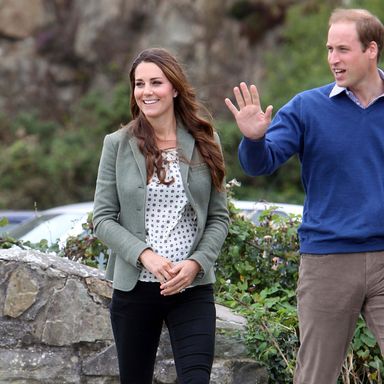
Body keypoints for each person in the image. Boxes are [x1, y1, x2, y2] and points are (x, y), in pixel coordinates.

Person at [225, 8, 384, 384]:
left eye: (343, 49)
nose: (333, 59)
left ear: (371, 49)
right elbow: (261, 164)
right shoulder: (306, 107)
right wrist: (253, 139)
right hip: (328, 260)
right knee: (315, 376)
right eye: (329, 49)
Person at [93, 47, 229, 384]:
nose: (146, 91)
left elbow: (219, 218)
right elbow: (103, 218)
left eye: (156, 82)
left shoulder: (205, 140)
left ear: (175, 88)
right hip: (134, 289)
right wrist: (145, 255)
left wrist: (197, 262)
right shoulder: (117, 144)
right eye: (139, 84)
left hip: (192, 288)